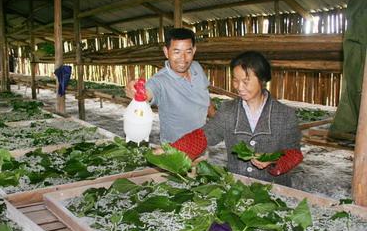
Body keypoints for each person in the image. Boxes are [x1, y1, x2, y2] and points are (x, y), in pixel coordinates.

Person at [169, 51, 303, 186]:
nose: (239, 87)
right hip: (237, 188)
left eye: (246, 81)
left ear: (262, 80)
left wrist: (273, 160)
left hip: (274, 189)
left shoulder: (285, 114)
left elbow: (294, 153)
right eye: (235, 80)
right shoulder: (228, 111)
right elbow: (204, 136)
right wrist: (172, 150)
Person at [125, 28, 215, 143]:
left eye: (188, 52)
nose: (183, 59)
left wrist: (217, 119)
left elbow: (205, 96)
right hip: (175, 152)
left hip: (201, 143)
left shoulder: (196, 67)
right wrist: (137, 92)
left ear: (194, 50)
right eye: (176, 52)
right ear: (166, 52)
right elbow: (148, 92)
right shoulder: (159, 81)